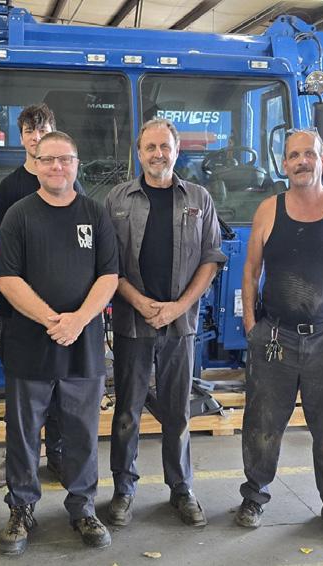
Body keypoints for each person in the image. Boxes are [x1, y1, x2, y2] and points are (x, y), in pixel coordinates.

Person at [236, 128, 323, 542]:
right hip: (275, 338)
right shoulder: (268, 211)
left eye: (308, 154)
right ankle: (254, 496)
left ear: (322, 161)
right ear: (284, 164)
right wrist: (252, 327)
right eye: (293, 155)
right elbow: (251, 271)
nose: (301, 161)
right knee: (261, 426)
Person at [0, 131, 118, 555]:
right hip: (30, 345)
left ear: (76, 163)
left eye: (65, 159)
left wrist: (79, 320)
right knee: (24, 433)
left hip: (83, 345)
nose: (57, 167)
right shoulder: (18, 215)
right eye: (48, 160)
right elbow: (6, 278)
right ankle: (21, 508)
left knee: (82, 432)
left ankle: (83, 507)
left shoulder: (95, 214)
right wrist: (53, 321)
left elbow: (109, 275)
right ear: (36, 164)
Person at [105, 118, 226, 527]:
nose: (158, 154)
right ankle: (124, 489)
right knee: (127, 412)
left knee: (177, 413)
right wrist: (139, 302)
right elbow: (108, 263)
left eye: (165, 147)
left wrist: (178, 307)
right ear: (139, 153)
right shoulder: (118, 199)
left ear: (177, 151)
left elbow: (211, 258)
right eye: (150, 147)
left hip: (179, 326)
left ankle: (181, 488)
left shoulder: (199, 198)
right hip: (131, 324)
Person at [0, 103, 82, 487]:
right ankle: (17, 460)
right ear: (22, 136)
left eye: (43, 129)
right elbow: (1, 251)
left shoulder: (72, 184)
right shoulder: (10, 188)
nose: (36, 137)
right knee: (21, 397)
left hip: (66, 316)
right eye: (29, 131)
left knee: (61, 392)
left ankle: (56, 456)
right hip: (21, 315)